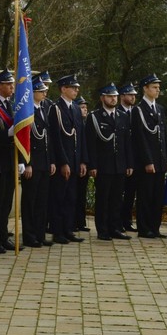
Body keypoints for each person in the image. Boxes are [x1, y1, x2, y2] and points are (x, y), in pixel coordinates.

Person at [84, 83, 133, 241]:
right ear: (102, 98)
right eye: (110, 96)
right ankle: (102, 230)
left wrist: (129, 163)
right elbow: (91, 143)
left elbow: (126, 142)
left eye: (115, 96)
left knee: (117, 199)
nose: (113, 99)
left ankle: (115, 228)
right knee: (103, 199)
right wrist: (92, 165)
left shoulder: (122, 116)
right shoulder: (95, 117)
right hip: (103, 166)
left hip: (119, 165)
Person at [0, 69, 23, 253]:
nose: (11, 87)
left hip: (11, 159)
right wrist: (7, 133)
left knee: (8, 201)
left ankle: (3, 234)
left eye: (12, 84)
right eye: (8, 84)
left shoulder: (11, 106)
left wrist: (21, 159)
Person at [48, 73, 87, 244]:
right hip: (63, 161)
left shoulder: (76, 109)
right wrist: (63, 162)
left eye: (77, 88)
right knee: (59, 198)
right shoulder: (55, 109)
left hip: (75, 160)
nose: (76, 90)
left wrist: (83, 160)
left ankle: (68, 229)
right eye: (73, 88)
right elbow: (56, 138)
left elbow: (81, 136)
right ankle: (58, 231)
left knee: (72, 197)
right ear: (63, 89)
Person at [131, 74, 167, 239]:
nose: (157, 89)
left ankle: (155, 227)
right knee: (145, 195)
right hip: (147, 162)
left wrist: (166, 158)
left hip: (160, 161)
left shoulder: (159, 109)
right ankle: (144, 228)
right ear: (145, 89)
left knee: (157, 196)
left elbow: (164, 136)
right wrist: (147, 161)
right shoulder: (139, 110)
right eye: (154, 87)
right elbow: (140, 138)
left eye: (158, 87)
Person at [21, 78, 55, 248]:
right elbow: (24, 140)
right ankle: (29, 235)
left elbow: (49, 138)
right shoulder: (26, 111)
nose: (44, 93)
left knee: (42, 201)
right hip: (32, 162)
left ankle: (40, 234)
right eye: (41, 91)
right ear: (32, 92)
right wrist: (27, 163)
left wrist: (52, 161)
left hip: (44, 162)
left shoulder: (44, 109)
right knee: (30, 201)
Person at [117, 83, 138, 232]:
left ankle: (127, 220)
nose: (133, 97)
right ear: (122, 96)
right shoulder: (117, 112)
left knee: (131, 193)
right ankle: (117, 221)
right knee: (119, 193)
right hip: (120, 159)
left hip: (135, 159)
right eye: (130, 94)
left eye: (134, 95)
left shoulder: (136, 112)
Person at [74, 95, 91, 232]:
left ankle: (81, 221)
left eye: (86, 108)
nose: (84, 110)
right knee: (74, 194)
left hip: (84, 164)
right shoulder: (75, 123)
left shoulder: (87, 123)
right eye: (82, 107)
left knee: (81, 195)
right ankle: (73, 221)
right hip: (75, 163)